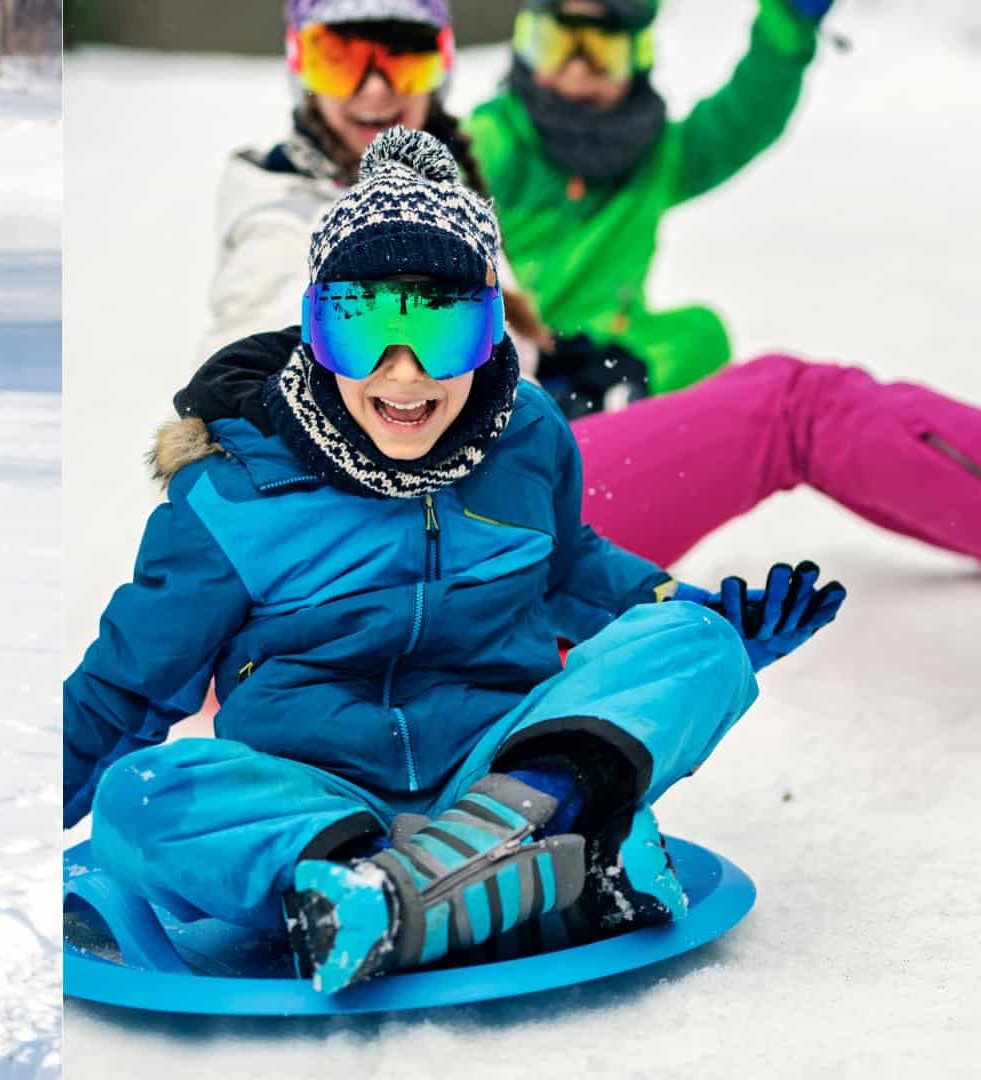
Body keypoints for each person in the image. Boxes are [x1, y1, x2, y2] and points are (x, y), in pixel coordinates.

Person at [63, 130, 845, 990]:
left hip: (506, 768)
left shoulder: (529, 434)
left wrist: (686, 608)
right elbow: (125, 688)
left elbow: (567, 566)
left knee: (694, 643)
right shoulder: (233, 490)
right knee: (141, 795)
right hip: (314, 799)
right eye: (365, 331)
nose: (404, 376)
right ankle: (539, 877)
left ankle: (403, 901)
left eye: (443, 328)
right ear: (318, 329)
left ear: (489, 327)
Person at [196, 0, 981, 567]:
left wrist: (550, 368)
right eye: (342, 58)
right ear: (300, 65)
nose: (375, 89)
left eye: (403, 60)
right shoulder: (302, 211)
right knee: (794, 406)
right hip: (454, 541)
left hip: (485, 501)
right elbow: (260, 334)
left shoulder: (445, 180)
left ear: (442, 66)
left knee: (703, 338)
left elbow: (737, 123)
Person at [465, 0, 830, 393]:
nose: (577, 67)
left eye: (601, 50)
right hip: (501, 353)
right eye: (558, 44)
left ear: (637, 55)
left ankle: (607, 400)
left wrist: (787, 24)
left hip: (604, 357)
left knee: (701, 335)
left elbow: (743, 119)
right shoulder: (493, 140)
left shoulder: (656, 157)